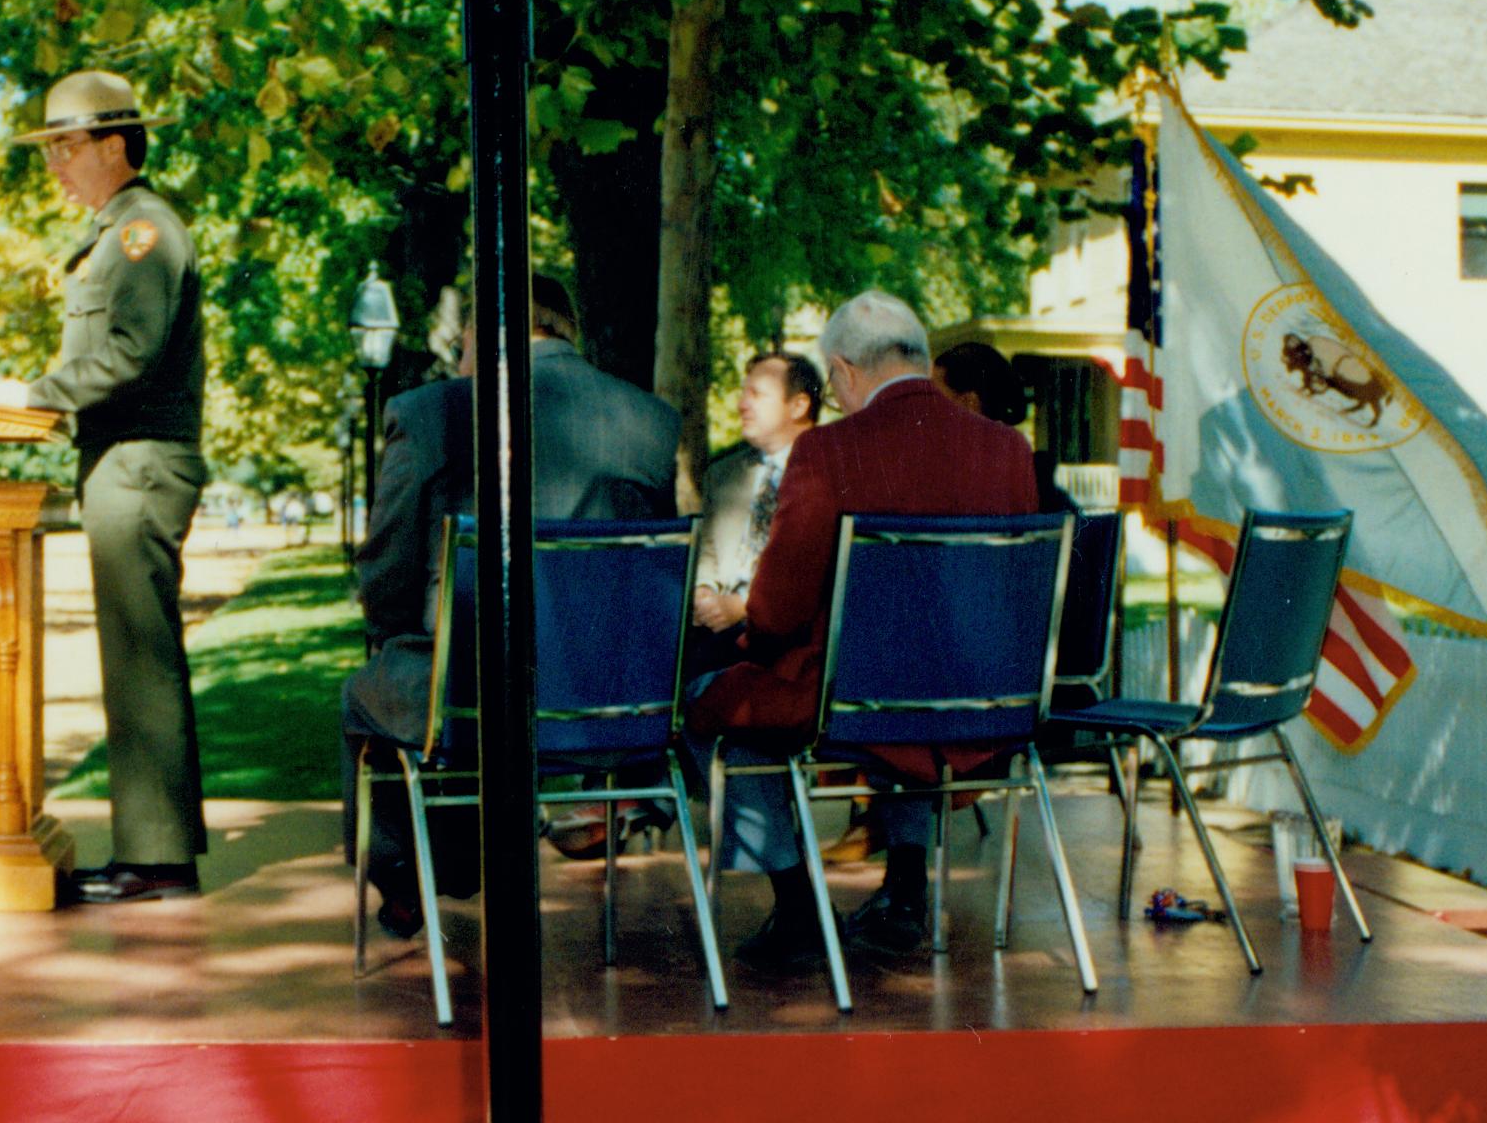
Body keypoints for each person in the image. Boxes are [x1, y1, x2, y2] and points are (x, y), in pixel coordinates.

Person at [684, 290, 1040, 971]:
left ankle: (795, 904)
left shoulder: (825, 451)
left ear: (843, 371)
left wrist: (754, 639)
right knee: (907, 702)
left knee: (714, 703)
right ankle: (904, 887)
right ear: (921, 358)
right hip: (980, 699)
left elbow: (777, 611)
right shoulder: (1006, 449)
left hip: (848, 698)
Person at [340, 273, 677, 938]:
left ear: (478, 334)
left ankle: (415, 877)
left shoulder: (432, 412)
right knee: (443, 668)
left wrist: (387, 633)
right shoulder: (648, 421)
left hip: (472, 700)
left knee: (372, 690)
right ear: (564, 329)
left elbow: (388, 565)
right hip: (606, 704)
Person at [0, 69, 210, 906]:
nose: (55, 166)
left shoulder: (142, 232)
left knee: (140, 660)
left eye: (66, 147)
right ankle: (152, 849)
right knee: (132, 657)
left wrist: (29, 394)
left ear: (115, 144)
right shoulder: (119, 232)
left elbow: (132, 352)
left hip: (139, 462)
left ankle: (160, 858)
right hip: (121, 460)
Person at [691, 350, 823, 657]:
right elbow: (706, 551)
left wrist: (744, 607)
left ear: (799, 405)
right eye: (742, 393)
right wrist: (703, 592)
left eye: (756, 394)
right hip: (714, 633)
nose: (741, 405)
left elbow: (816, 574)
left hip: (790, 643)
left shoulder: (829, 475)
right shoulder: (723, 474)